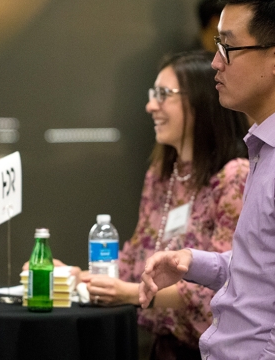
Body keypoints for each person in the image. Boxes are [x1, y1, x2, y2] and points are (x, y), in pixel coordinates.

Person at [139, 0, 275, 360]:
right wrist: (193, 262)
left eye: (228, 48)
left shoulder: (240, 167)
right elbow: (261, 268)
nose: (215, 62)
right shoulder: (261, 149)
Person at [80, 50, 249, 359]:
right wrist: (84, 278)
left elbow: (227, 279)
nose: (150, 106)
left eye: (162, 94)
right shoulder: (162, 175)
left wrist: (133, 294)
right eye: (152, 94)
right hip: (163, 349)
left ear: (200, 101)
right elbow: (137, 255)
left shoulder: (234, 176)